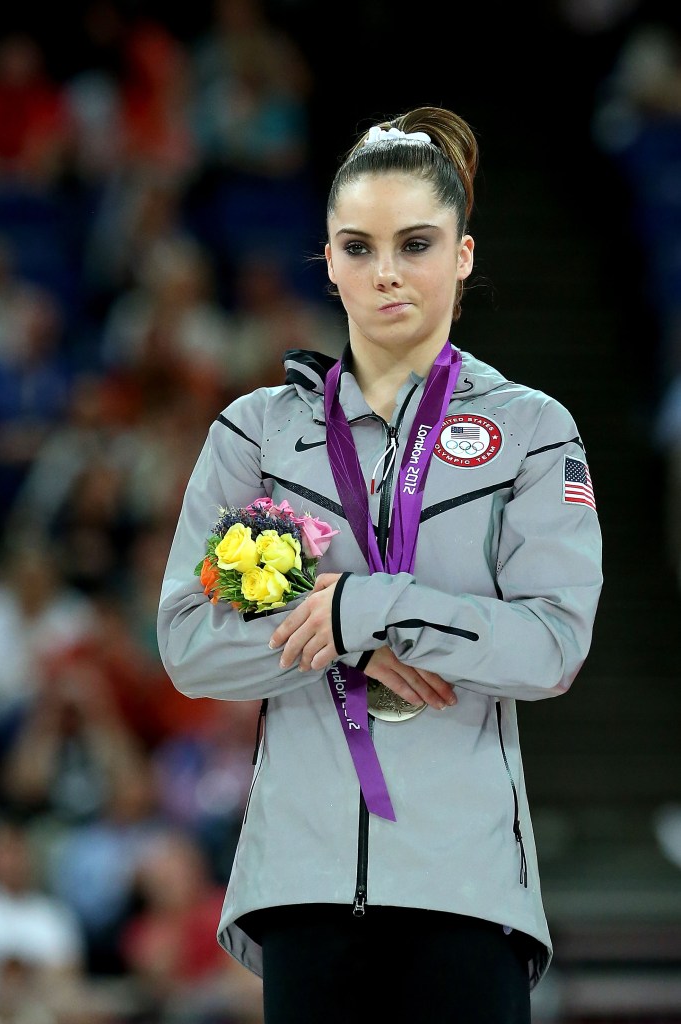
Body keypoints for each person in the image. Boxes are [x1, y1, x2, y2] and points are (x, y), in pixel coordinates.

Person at [157, 105, 603, 1023]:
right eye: (356, 247)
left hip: (467, 888)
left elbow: (551, 646)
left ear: (464, 255)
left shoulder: (531, 430)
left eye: (416, 243)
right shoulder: (258, 432)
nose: (386, 272)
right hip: (304, 886)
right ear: (325, 259)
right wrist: (347, 641)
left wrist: (364, 605)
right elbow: (191, 647)